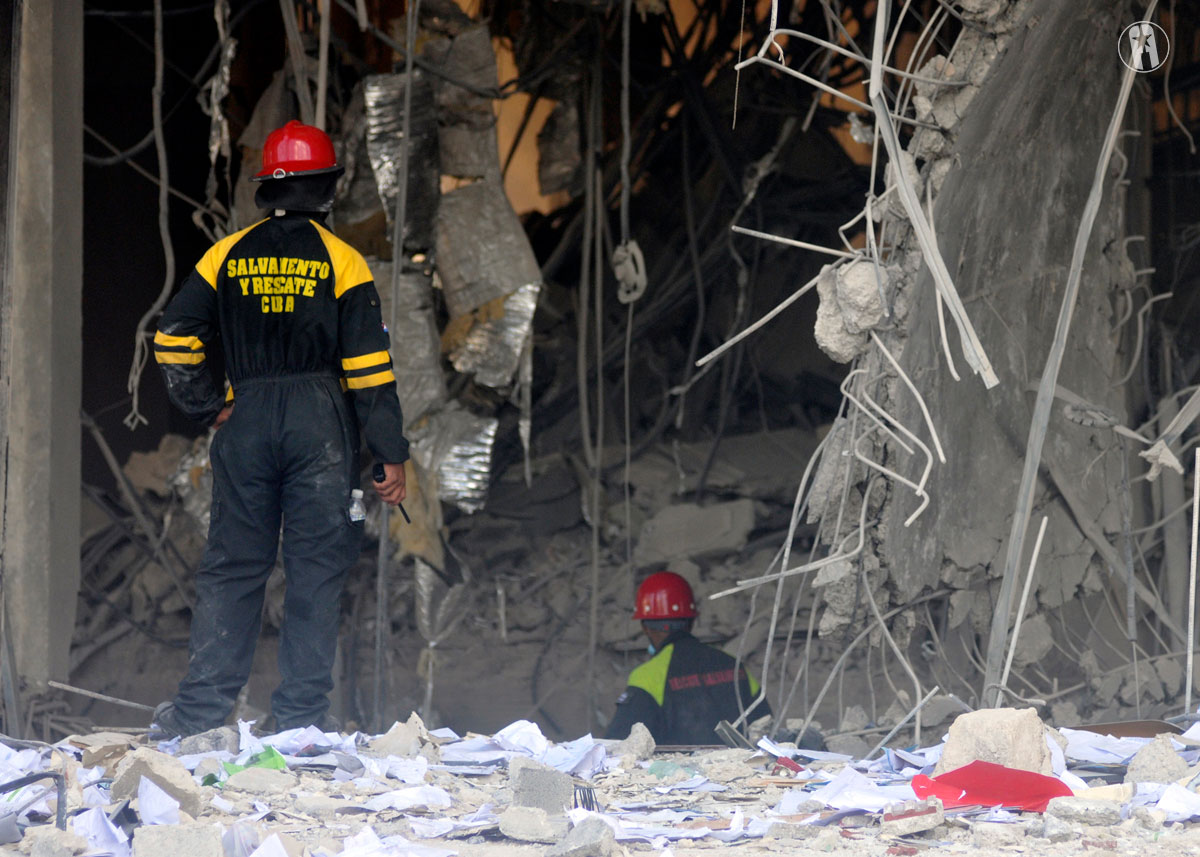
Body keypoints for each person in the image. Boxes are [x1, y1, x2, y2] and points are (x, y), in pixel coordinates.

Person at [149, 120, 409, 738]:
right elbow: (369, 368)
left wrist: (208, 403)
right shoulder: (343, 263)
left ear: (267, 188)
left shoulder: (225, 255)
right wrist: (388, 453)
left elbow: (173, 338)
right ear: (327, 189)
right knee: (315, 568)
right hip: (319, 425)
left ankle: (200, 716)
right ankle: (295, 722)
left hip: (248, 418)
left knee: (235, 565)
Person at [606, 571, 769, 745]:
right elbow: (766, 727)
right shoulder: (734, 665)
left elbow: (618, 745)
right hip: (743, 770)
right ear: (691, 621)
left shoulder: (647, 676)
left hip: (678, 772)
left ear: (645, 627)